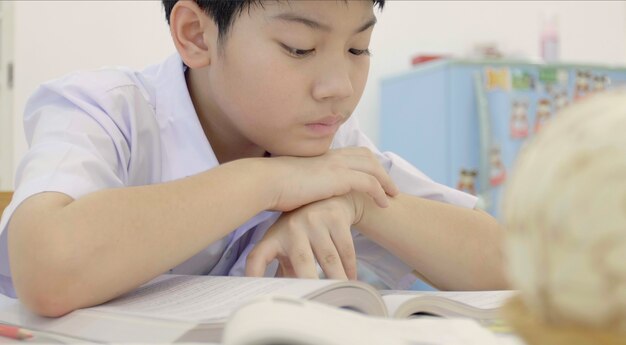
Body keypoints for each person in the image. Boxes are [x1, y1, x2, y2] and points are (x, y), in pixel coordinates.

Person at [0, 0, 507, 317]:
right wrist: (267, 181)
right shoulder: (106, 109)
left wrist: (360, 204)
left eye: (358, 49)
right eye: (299, 48)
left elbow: (515, 266)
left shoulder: (330, 144)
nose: (339, 87)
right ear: (197, 36)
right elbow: (49, 272)